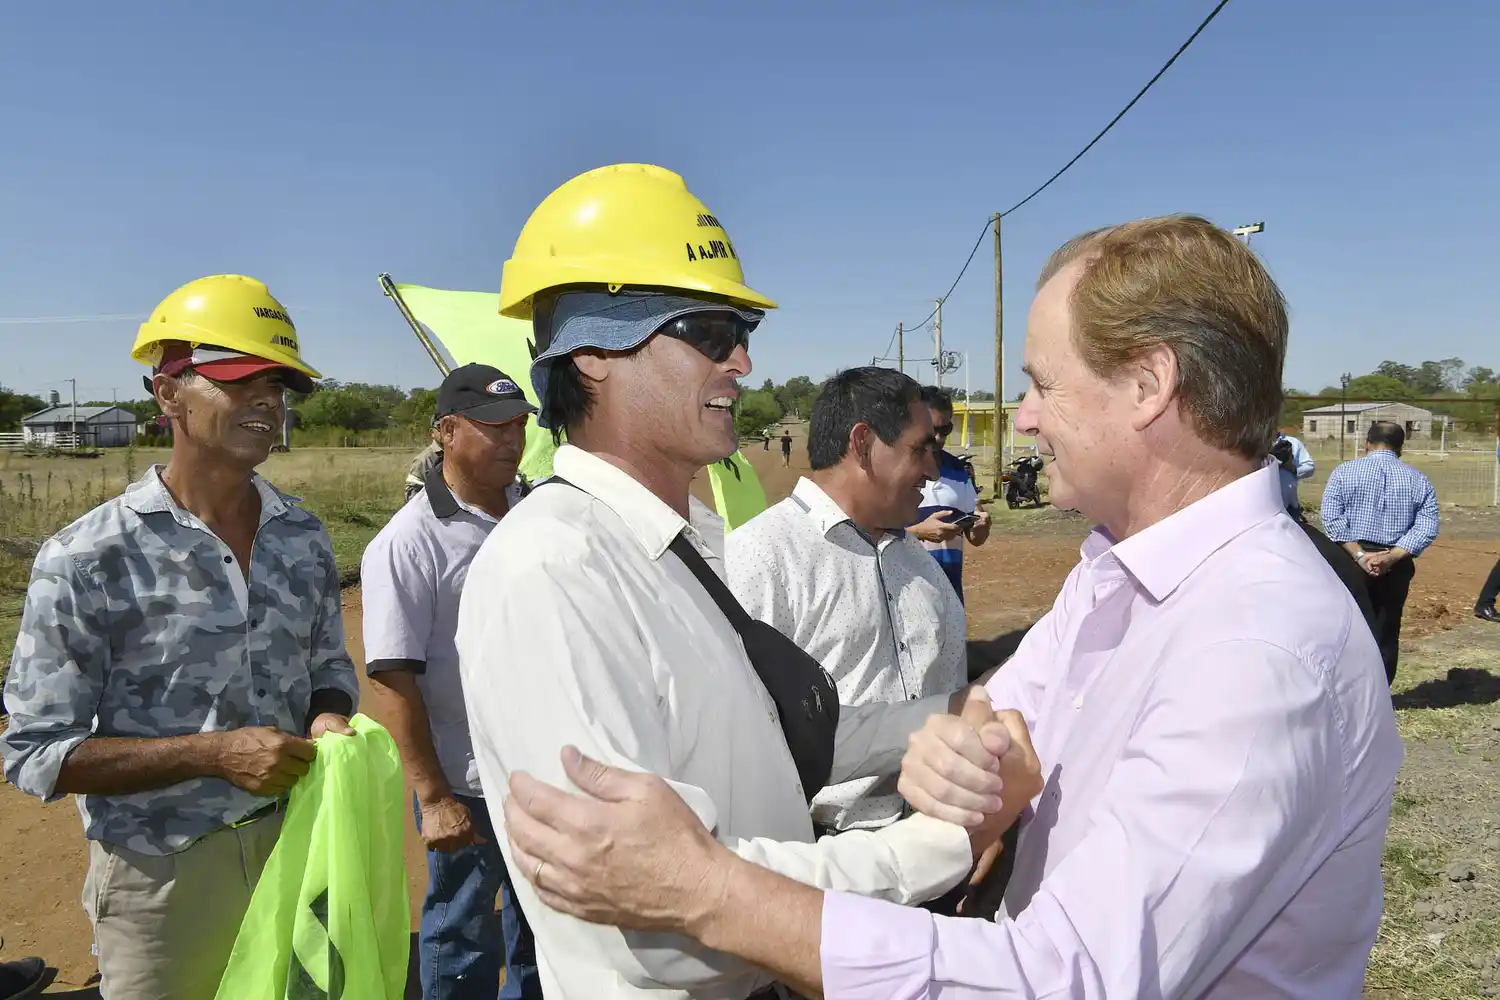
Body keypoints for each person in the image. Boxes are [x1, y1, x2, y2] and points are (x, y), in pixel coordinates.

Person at [501, 214, 1404, 1000]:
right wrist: (955, 748)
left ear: (1150, 384)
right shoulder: (1112, 573)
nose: (1026, 417)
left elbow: (1066, 979)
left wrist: (709, 892)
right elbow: (997, 719)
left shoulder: (1257, 646)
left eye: (1044, 382)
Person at [455, 163, 1029, 1000]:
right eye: (711, 332)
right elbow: (654, 914)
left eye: (744, 331)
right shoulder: (554, 568)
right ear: (593, 351)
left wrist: (947, 714)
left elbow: (773, 744)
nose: (745, 363)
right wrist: (941, 844)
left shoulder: (680, 544)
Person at [1, 274, 359, 1000]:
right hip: (162, 880)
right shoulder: (87, 558)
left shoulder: (303, 537)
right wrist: (212, 754)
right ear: (167, 394)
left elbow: (329, 663)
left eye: (279, 386)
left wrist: (327, 714)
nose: (266, 402)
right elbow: (35, 752)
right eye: (238, 381)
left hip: (303, 851)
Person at [362, 364, 543, 1000]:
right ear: (445, 431)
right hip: (465, 780)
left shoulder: (537, 510)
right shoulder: (408, 542)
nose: (511, 439)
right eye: (493, 427)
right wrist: (432, 795)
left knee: (542, 929)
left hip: (542, 768)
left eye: (518, 424)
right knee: (463, 932)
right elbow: (393, 677)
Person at [726, 368, 967, 837]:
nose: (933, 471)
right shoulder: (761, 558)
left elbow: (953, 697)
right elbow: (741, 746)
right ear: (862, 445)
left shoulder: (923, 566)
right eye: (921, 449)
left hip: (935, 848)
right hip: (821, 867)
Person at [1321, 420, 1440, 683]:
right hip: (1395, 563)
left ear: (1366, 443)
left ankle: (1347, 689)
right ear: (1401, 447)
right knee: (1387, 627)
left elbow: (1331, 519)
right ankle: (1381, 695)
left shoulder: (1344, 472)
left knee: (1347, 628)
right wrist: (1393, 556)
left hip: (1348, 560)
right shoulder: (1418, 480)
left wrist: (1360, 555)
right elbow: (1427, 526)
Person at [911, 386, 992, 602]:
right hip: (906, 596)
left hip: (949, 595)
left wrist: (981, 526)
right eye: (932, 430)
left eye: (945, 430)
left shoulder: (959, 471)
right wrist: (918, 532)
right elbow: (871, 536)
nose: (938, 438)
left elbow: (975, 539)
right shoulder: (895, 471)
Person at [1272, 430, 1315, 517]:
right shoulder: (1254, 444)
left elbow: (1310, 468)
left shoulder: (1293, 443)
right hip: (1264, 506)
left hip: (1290, 507)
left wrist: (1291, 467)